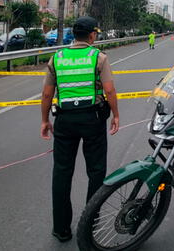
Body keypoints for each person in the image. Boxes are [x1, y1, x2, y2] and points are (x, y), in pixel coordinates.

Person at [40, 16, 120, 242]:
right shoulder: (98, 57)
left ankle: (61, 229)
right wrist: (115, 115)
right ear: (92, 35)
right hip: (92, 120)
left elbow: (47, 94)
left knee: (62, 172)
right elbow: (110, 91)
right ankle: (91, 224)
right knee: (96, 172)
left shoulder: (58, 58)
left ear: (74, 35)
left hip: (64, 121)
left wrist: (45, 120)